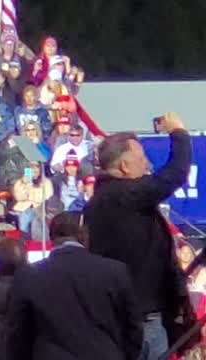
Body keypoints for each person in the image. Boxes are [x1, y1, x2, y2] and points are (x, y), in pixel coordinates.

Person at [84, 112, 194, 360]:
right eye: (142, 159)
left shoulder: (100, 201)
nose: (147, 165)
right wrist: (178, 133)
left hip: (119, 312)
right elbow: (174, 175)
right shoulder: (123, 196)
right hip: (142, 318)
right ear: (124, 166)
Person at [7, 211, 143, 360]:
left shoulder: (28, 276)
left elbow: (17, 335)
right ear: (84, 235)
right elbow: (133, 328)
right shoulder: (115, 271)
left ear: (51, 237)